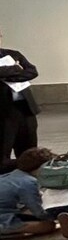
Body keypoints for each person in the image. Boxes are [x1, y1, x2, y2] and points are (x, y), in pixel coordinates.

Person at [0, 148, 68, 239]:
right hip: (4, 219)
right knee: (48, 226)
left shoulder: (14, 175)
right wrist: (57, 217)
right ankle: (8, 231)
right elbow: (39, 212)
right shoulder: (29, 183)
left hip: (6, 212)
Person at [0, 31, 39, 165]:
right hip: (3, 112)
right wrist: (16, 68)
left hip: (25, 108)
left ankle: (28, 179)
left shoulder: (13, 54)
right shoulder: (15, 61)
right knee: (3, 151)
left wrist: (7, 75)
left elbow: (32, 71)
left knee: (30, 152)